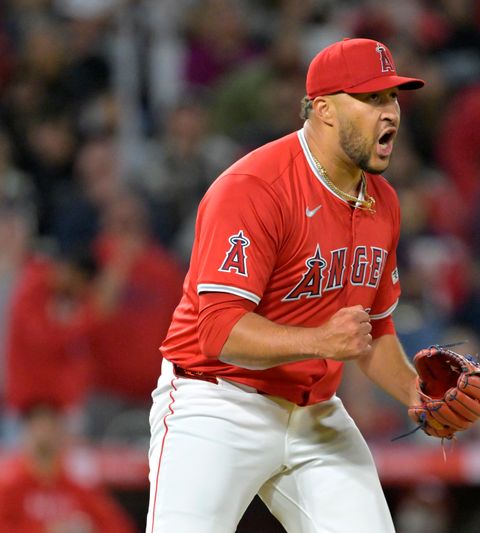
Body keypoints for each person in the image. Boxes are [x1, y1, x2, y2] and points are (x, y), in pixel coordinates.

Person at [146, 38, 428, 532]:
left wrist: (416, 392)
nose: (390, 113)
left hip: (314, 413)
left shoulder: (383, 202)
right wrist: (321, 341)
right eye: (371, 99)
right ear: (323, 110)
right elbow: (220, 334)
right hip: (216, 402)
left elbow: (373, 333)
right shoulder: (256, 188)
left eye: (393, 98)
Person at [0, 403, 136, 532]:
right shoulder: (9, 486)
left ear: (62, 433)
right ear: (25, 433)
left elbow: (119, 528)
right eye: (38, 426)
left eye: (51, 426)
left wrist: (91, 529)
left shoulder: (81, 486)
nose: (44, 433)